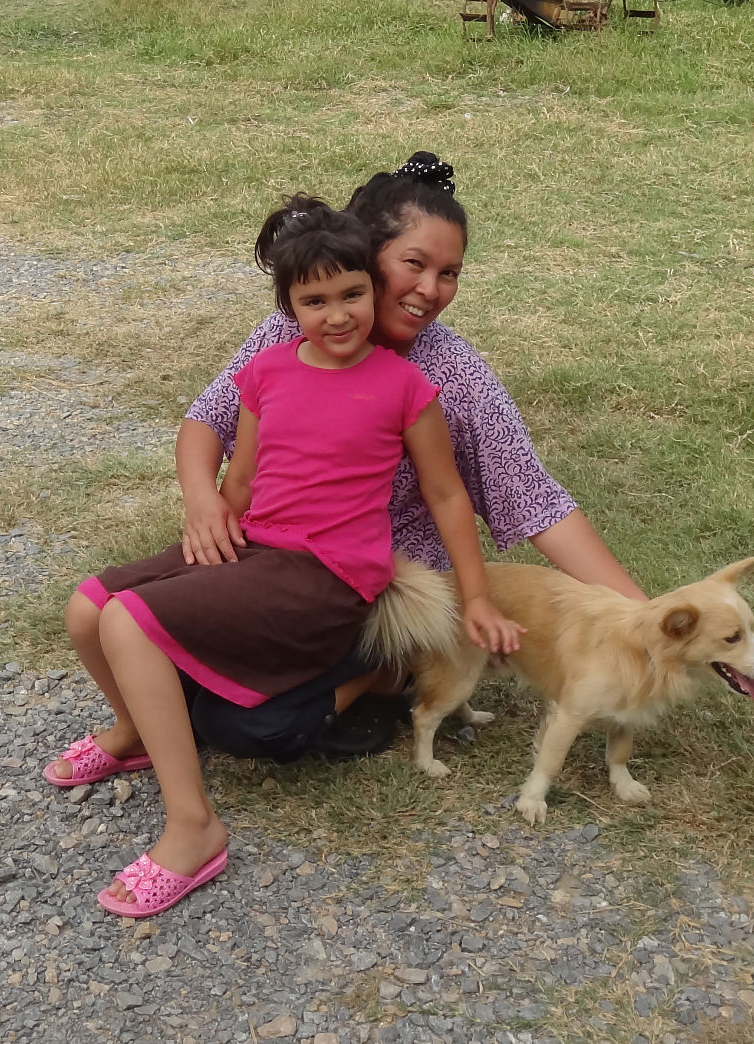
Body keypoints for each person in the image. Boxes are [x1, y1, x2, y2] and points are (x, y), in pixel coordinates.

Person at [45, 195, 526, 917]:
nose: (338, 316)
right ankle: (135, 732)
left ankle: (194, 829)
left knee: (129, 622)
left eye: (353, 294)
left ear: (373, 287)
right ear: (289, 308)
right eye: (314, 302)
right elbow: (241, 479)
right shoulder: (266, 373)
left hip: (330, 576)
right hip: (261, 549)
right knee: (89, 608)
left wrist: (478, 597)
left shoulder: (406, 386)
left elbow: (447, 494)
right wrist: (208, 536)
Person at [174, 151, 645, 762]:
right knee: (175, 665)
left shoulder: (457, 376)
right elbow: (205, 420)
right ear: (366, 255)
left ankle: (386, 672)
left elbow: (536, 503)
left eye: (449, 273)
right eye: (415, 264)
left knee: (238, 724)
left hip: (386, 594)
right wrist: (202, 500)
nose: (431, 290)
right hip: (281, 561)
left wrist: (646, 619)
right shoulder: (294, 333)